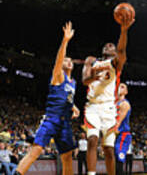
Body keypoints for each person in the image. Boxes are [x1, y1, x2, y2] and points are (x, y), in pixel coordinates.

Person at [14, 21, 80, 175]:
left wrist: (74, 107)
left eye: (70, 60)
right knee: (36, 150)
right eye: (66, 60)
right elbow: (58, 60)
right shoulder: (58, 76)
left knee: (67, 157)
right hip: (52, 119)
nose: (68, 61)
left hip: (65, 123)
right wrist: (65, 41)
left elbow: (66, 98)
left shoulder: (73, 83)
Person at [82, 16, 135, 175]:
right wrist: (93, 78)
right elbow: (85, 80)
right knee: (92, 140)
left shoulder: (116, 64)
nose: (108, 45)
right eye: (106, 45)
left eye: (111, 45)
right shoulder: (91, 60)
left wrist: (124, 31)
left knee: (108, 149)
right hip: (93, 106)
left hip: (109, 108)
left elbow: (122, 50)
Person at [114, 83, 132, 175]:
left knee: (119, 159)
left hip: (123, 134)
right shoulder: (113, 103)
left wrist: (115, 128)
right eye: (118, 86)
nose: (120, 88)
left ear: (126, 91)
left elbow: (119, 121)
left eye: (122, 87)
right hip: (115, 134)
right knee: (113, 159)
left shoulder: (124, 103)